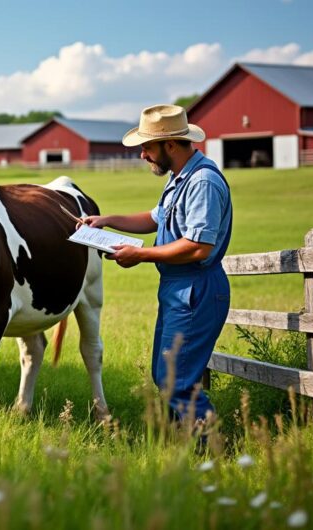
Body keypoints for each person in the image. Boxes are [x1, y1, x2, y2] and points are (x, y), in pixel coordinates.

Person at [81, 104, 232, 423]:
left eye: (147, 147)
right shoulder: (181, 177)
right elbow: (155, 218)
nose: (142, 155)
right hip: (179, 287)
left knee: (176, 381)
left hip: (196, 287)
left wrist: (140, 255)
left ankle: (211, 447)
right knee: (165, 374)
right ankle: (188, 442)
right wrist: (107, 221)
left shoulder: (202, 181)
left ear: (171, 145)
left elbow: (198, 247)